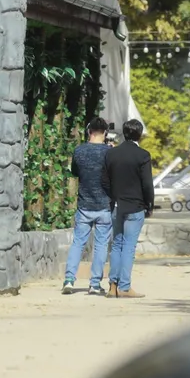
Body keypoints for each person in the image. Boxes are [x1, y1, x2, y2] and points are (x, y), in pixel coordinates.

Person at [102, 119, 155, 298]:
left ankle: (112, 286)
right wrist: (149, 204)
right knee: (129, 247)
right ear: (140, 134)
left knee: (116, 245)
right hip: (135, 206)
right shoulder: (143, 155)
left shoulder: (111, 153)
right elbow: (147, 184)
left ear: (124, 134)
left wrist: (112, 197)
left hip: (116, 205)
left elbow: (104, 180)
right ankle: (124, 287)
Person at [62, 118, 114, 295]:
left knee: (78, 243)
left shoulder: (79, 150)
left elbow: (75, 172)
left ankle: (69, 280)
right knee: (101, 245)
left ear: (89, 131)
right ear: (105, 133)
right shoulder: (109, 153)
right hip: (104, 205)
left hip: (84, 205)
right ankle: (94, 284)